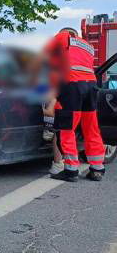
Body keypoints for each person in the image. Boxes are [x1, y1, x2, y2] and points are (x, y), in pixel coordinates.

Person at [43, 27, 106, 181]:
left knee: (67, 129)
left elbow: (46, 58)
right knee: (91, 128)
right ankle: (97, 168)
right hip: (91, 85)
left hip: (72, 86)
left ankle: (71, 170)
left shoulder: (63, 37)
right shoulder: (88, 45)